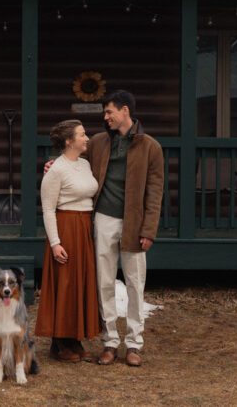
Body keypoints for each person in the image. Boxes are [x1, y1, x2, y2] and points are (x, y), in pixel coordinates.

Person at [89, 90, 163, 368]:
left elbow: (155, 192)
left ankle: (134, 344)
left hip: (134, 222)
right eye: (105, 113)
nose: (105, 117)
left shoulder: (150, 146)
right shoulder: (97, 142)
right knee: (104, 281)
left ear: (124, 111)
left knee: (135, 283)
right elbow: (74, 160)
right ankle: (109, 342)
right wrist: (53, 164)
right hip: (104, 218)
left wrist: (149, 229)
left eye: (109, 112)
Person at [33, 119, 101, 362]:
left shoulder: (84, 164)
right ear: (68, 141)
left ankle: (75, 339)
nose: (87, 138)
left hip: (84, 227)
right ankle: (60, 342)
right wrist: (55, 243)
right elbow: (49, 209)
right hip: (66, 228)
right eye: (82, 134)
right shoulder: (56, 170)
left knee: (80, 283)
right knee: (65, 283)